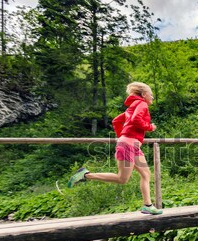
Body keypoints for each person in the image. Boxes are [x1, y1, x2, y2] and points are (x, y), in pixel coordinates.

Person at [67, 81, 162, 215]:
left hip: (132, 145)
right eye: (151, 94)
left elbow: (116, 121)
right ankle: (85, 175)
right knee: (122, 179)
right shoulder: (142, 104)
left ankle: (147, 205)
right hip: (129, 145)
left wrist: (121, 137)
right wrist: (150, 127)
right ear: (144, 94)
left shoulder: (131, 107)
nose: (152, 97)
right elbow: (136, 120)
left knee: (146, 174)